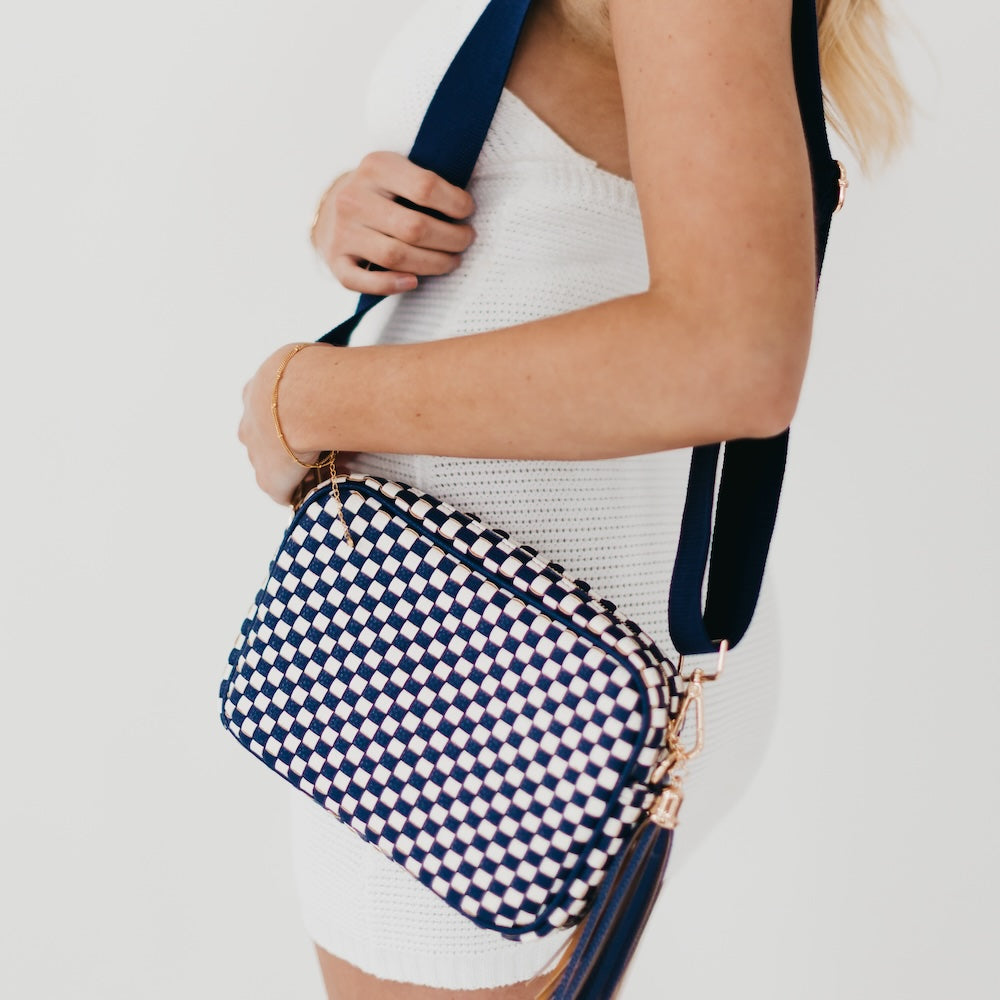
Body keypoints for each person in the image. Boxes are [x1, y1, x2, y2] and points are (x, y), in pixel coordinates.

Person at [237, 1, 909, 997]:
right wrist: (355, 210)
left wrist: (303, 398)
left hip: (489, 680)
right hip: (472, 654)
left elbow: (733, 355)